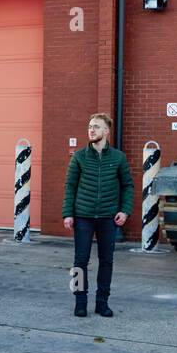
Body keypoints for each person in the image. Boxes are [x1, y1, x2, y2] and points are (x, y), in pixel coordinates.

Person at [62, 113, 133, 317]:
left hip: (108, 218)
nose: (91, 130)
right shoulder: (79, 157)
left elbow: (128, 186)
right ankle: (80, 301)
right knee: (80, 261)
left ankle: (102, 302)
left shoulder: (118, 158)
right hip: (83, 216)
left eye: (96, 127)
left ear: (106, 131)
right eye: (90, 126)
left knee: (106, 261)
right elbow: (70, 186)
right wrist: (68, 213)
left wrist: (125, 210)